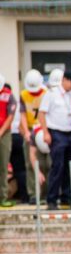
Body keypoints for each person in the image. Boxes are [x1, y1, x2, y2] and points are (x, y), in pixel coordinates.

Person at [37, 69, 71, 210]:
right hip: (56, 132)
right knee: (58, 166)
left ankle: (67, 196)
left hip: (70, 132)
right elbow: (42, 114)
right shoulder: (52, 94)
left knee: (70, 166)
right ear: (64, 80)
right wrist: (45, 132)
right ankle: (52, 199)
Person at [18, 69, 47, 202]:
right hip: (30, 129)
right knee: (30, 163)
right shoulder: (24, 94)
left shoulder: (46, 93)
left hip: (43, 129)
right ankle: (33, 193)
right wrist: (26, 132)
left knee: (46, 163)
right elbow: (23, 114)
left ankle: (47, 193)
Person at [0, 73, 15, 207]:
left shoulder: (8, 95)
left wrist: (1, 131)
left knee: (4, 165)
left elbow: (11, 115)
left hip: (4, 132)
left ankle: (3, 196)